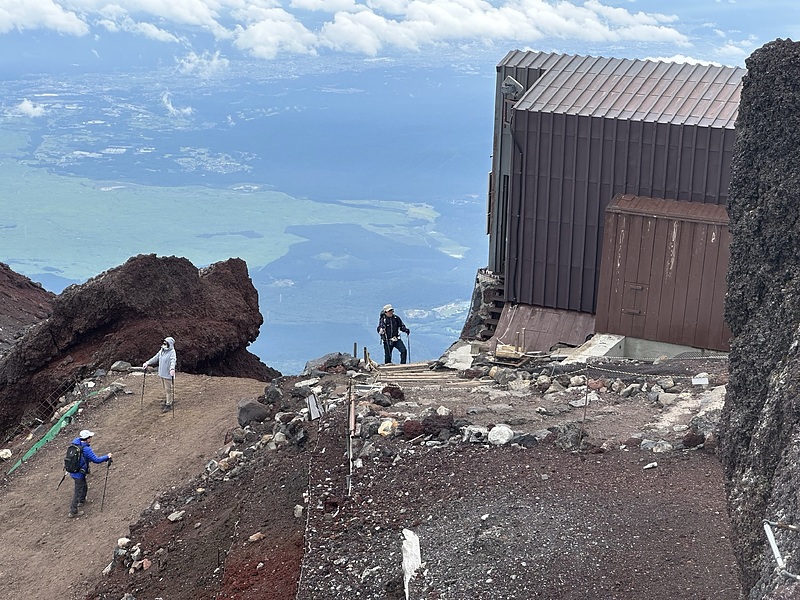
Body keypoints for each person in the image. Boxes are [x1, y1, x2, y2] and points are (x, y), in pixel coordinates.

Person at [68, 429, 112, 518]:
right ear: (87, 439)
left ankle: (82, 501)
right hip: (79, 474)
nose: (91, 438)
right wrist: (107, 457)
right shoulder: (86, 449)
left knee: (84, 486)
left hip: (74, 472)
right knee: (78, 490)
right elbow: (96, 460)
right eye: (90, 437)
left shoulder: (76, 444)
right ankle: (73, 511)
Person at [143, 336, 177, 413]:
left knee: (168, 389)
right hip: (162, 373)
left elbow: (173, 360)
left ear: (170, 344)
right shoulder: (162, 350)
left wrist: (172, 368)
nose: (164, 344)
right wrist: (147, 362)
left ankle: (168, 404)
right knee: (165, 388)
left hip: (168, 374)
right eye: (164, 342)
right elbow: (156, 357)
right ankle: (168, 399)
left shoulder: (172, 352)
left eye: (166, 343)